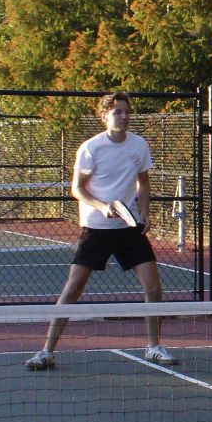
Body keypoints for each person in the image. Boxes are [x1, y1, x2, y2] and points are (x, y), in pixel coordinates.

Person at [25, 91, 177, 370]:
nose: (124, 116)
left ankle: (153, 347)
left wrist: (144, 211)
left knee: (154, 288)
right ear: (104, 116)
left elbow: (143, 181)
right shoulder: (91, 148)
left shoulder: (139, 145)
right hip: (97, 227)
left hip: (128, 228)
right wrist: (102, 205)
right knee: (73, 287)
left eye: (126, 112)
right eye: (117, 112)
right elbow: (77, 188)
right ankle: (46, 351)